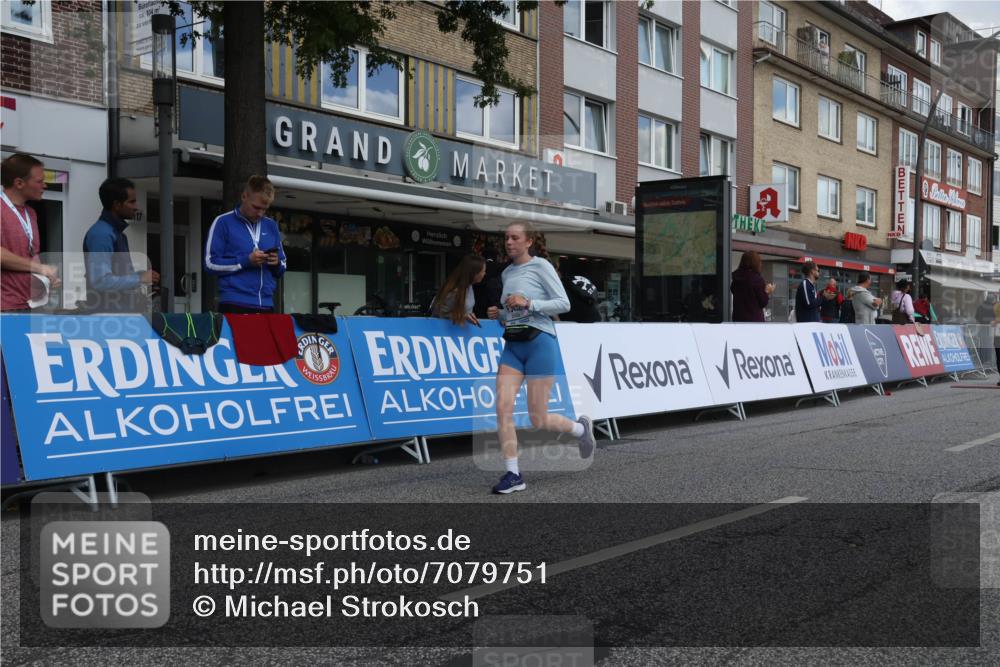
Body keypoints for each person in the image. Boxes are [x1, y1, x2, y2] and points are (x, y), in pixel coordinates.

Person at [486, 222, 595, 494]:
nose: (508, 242)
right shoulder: (508, 272)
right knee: (502, 408)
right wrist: (499, 314)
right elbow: (513, 312)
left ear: (528, 242)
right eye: (506, 238)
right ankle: (513, 474)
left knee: (538, 418)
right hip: (513, 345)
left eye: (514, 238)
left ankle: (581, 431)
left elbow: (564, 304)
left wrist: (530, 303)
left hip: (540, 344)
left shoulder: (542, 266)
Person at [204, 175, 287, 313]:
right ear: (244, 196)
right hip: (234, 302)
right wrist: (245, 261)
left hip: (266, 304)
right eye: (256, 207)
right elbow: (210, 263)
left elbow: (283, 265)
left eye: (264, 209)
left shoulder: (271, 226)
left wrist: (276, 263)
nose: (260, 213)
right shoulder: (223, 222)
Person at [83, 178, 159, 312]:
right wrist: (139, 278)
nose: (136, 207)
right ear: (117, 204)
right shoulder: (102, 234)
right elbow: (100, 281)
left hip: (119, 314)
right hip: (107, 318)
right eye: (132, 202)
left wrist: (140, 277)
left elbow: (115, 275)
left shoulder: (117, 234)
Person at [1, 153, 61, 312]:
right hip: (4, 308)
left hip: (29, 305)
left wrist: (46, 278)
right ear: (19, 183)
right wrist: (39, 268)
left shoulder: (31, 213)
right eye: (40, 181)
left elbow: (31, 255)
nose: (45, 185)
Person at [431, 253, 485, 326]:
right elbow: (439, 312)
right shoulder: (453, 291)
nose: (484, 273)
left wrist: (470, 316)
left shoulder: (469, 287)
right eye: (483, 271)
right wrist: (461, 316)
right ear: (474, 273)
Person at [730, 251, 773, 322]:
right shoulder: (757, 279)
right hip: (754, 321)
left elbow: (732, 290)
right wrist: (767, 292)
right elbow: (763, 302)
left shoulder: (736, 277)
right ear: (756, 263)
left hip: (738, 319)